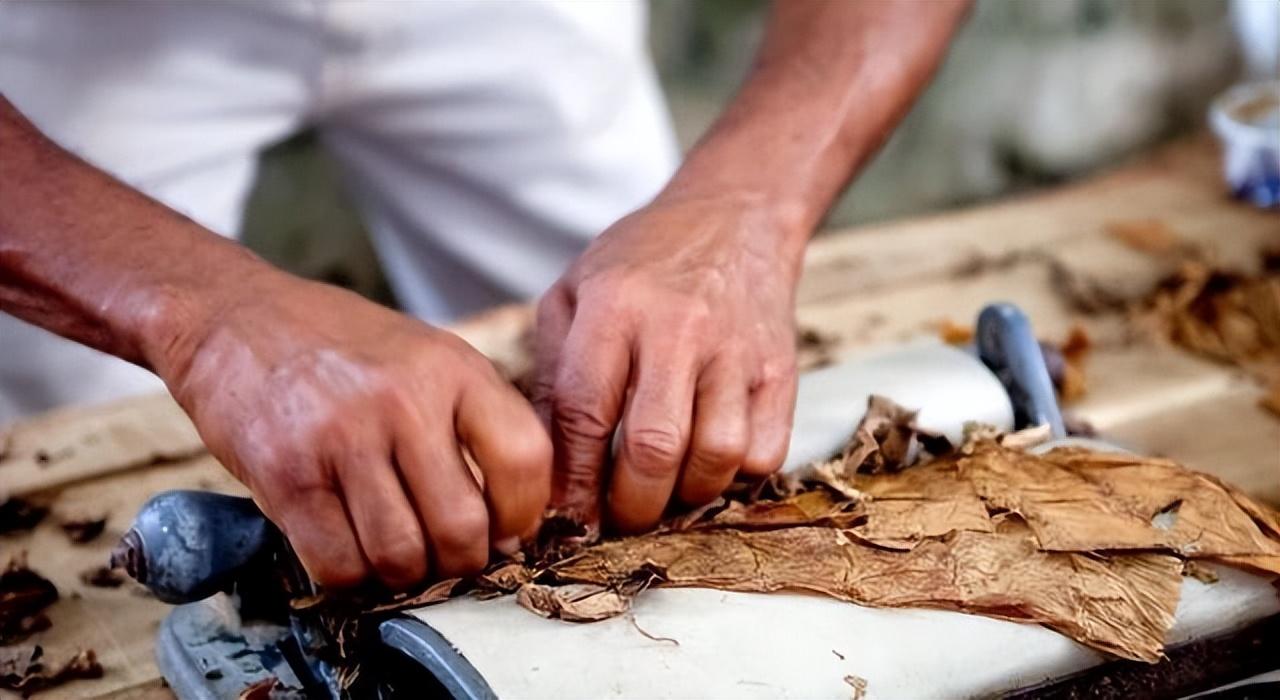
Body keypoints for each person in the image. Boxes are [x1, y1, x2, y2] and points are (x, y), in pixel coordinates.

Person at [0, 0, 968, 590]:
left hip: (503, 12)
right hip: (88, 31)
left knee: (645, 378)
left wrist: (750, 207)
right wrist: (202, 324)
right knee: (69, 445)